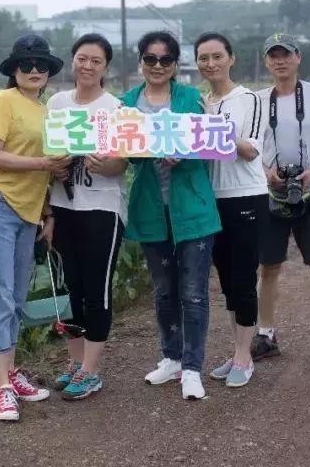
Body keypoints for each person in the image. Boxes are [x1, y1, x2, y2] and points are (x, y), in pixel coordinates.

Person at [0, 34, 72, 421]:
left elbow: (48, 166)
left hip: (29, 210)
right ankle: (2, 387)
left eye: (40, 65)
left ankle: (11, 373)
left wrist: (47, 213)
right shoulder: (3, 101)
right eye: (26, 64)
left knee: (14, 295)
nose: (33, 70)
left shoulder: (44, 111)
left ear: (48, 72)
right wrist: (45, 166)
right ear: (14, 70)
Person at [121, 31, 221, 400]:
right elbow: (127, 155)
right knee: (164, 291)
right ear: (141, 62)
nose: (158, 66)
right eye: (151, 59)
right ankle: (172, 358)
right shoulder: (127, 103)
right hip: (152, 207)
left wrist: (186, 153)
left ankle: (193, 367)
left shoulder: (191, 98)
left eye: (165, 60)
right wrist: (140, 150)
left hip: (192, 206)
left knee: (194, 292)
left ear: (176, 65)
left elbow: (211, 144)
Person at [253, 33, 310, 374]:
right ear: (266, 61)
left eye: (286, 54)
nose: (280, 60)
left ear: (298, 58)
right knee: (269, 268)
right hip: (271, 194)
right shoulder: (258, 101)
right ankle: (266, 336)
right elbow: (247, 145)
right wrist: (266, 172)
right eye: (273, 55)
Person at [47, 34, 128, 400]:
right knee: (72, 289)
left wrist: (104, 163)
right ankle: (76, 364)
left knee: (97, 291)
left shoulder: (117, 108)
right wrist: (56, 169)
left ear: (105, 67)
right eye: (82, 58)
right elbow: (48, 155)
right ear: (73, 61)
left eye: (96, 60)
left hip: (102, 209)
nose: (88, 66)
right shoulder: (57, 103)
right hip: (64, 207)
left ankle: (91, 372)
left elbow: (122, 163)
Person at [194, 32, 269, 388]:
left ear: (231, 58)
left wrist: (208, 131)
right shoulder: (200, 102)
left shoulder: (249, 99)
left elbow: (251, 149)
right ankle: (237, 351)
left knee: (243, 277)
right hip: (213, 198)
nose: (210, 64)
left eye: (217, 56)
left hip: (245, 196)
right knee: (225, 280)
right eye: (203, 58)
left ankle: (244, 356)